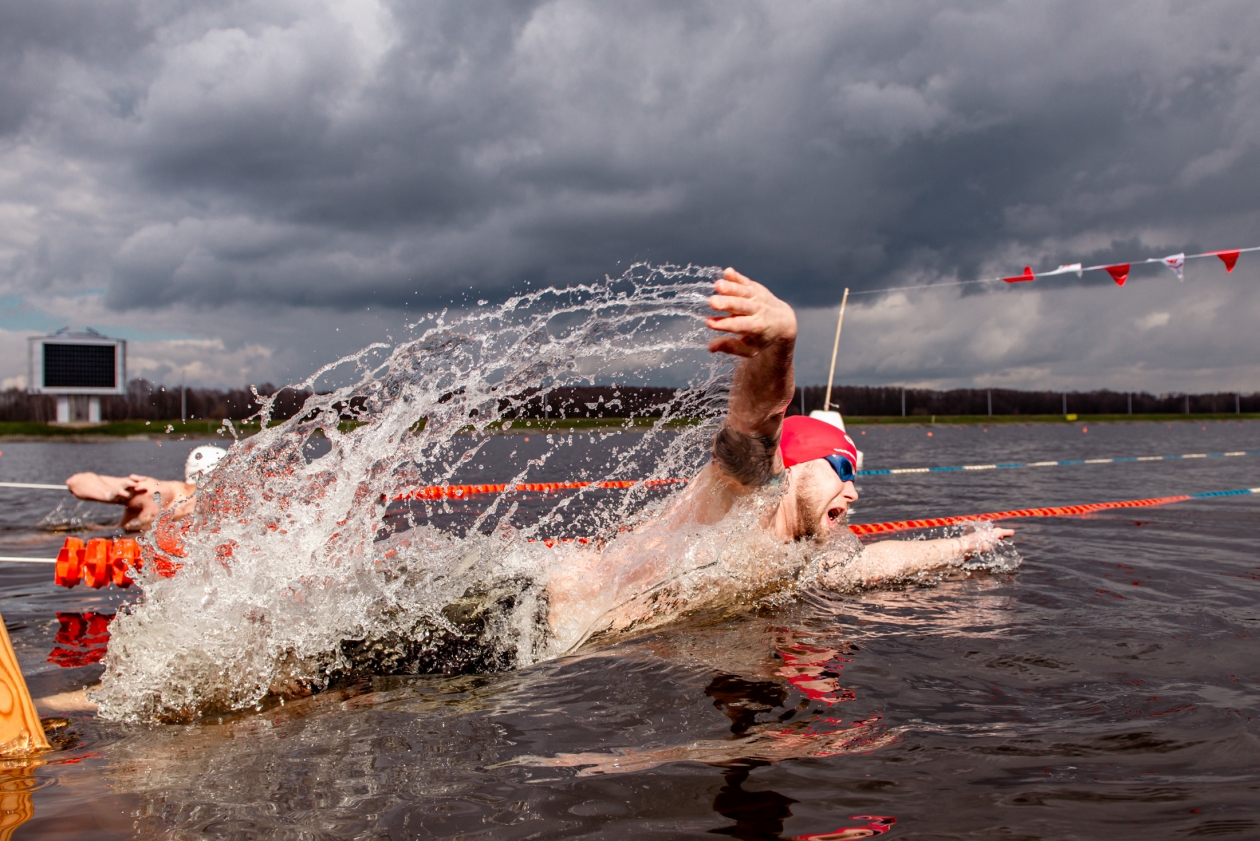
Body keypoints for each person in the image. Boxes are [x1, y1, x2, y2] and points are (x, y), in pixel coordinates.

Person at [65, 445, 228, 531]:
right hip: (117, 544)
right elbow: (76, 482)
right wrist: (110, 493)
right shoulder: (159, 493)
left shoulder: (223, 504)